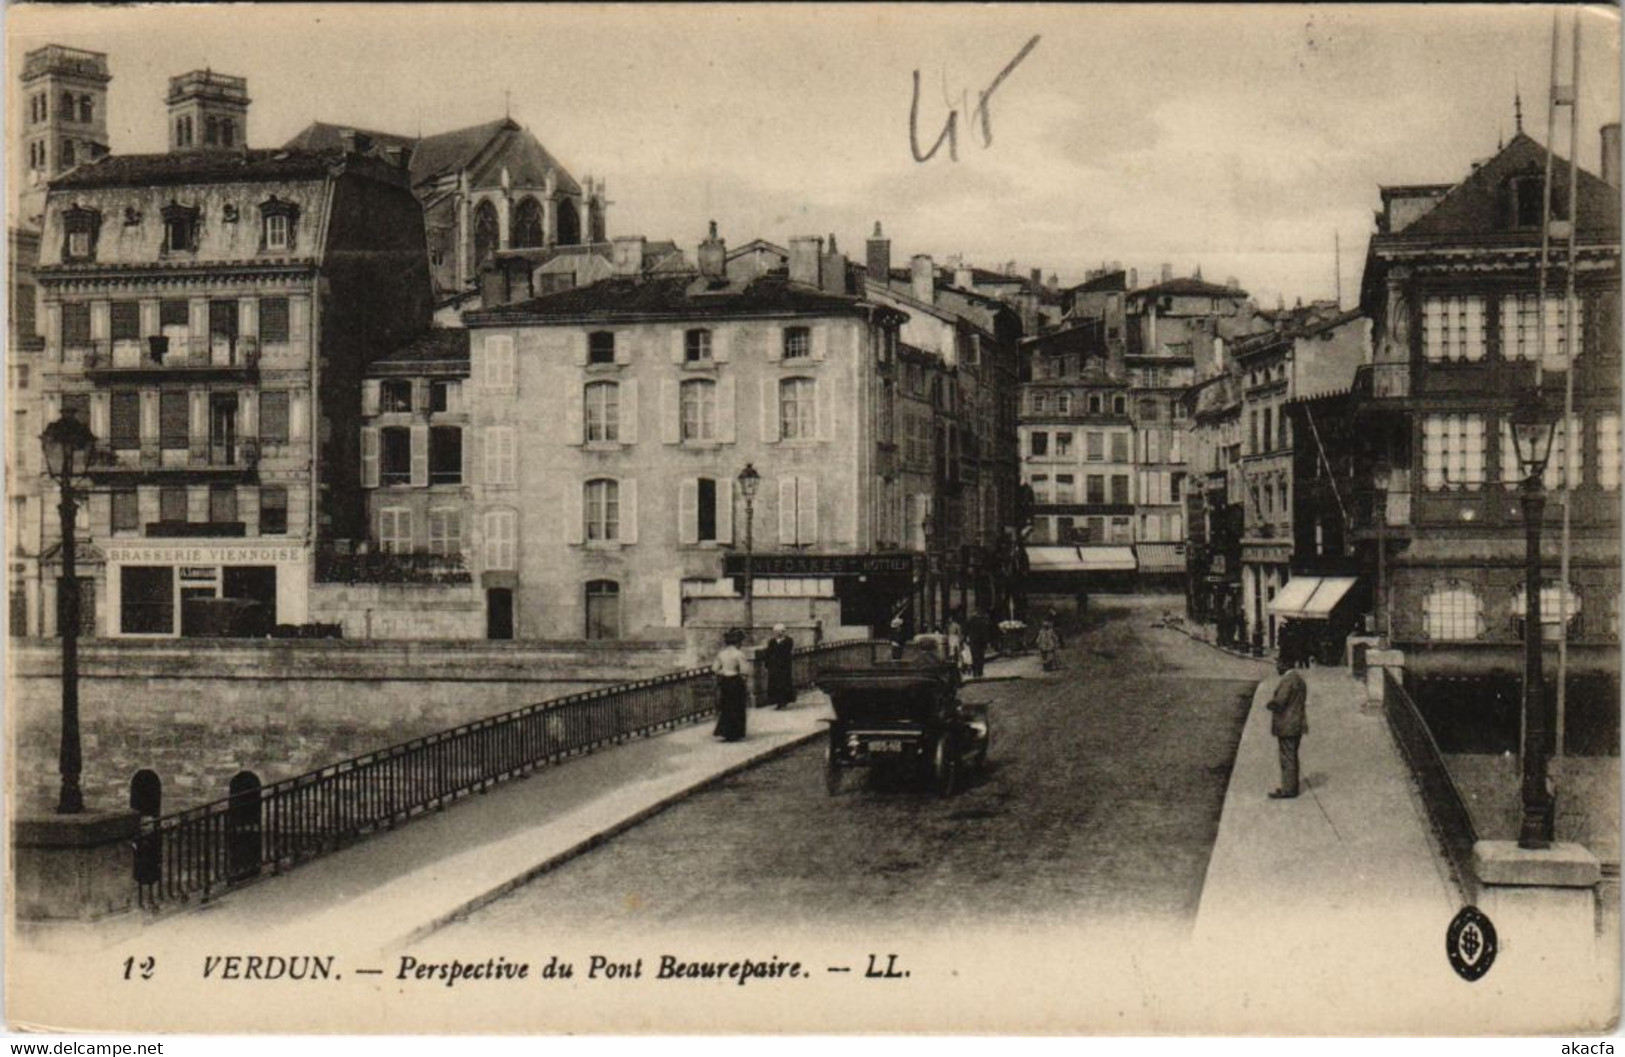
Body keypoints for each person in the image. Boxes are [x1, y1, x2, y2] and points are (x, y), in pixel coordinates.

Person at [1265, 654, 1308, 799]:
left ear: (1284, 665)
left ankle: (1288, 790)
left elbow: (1279, 702)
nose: (1276, 667)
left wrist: (1270, 704)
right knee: (1291, 756)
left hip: (1287, 725)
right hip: (1297, 723)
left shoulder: (1288, 681)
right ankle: (1290, 787)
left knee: (1287, 758)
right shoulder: (1298, 679)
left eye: (1278, 664)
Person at [712, 629, 749, 742]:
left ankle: (726, 731)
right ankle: (735, 732)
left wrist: (723, 672)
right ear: (737, 642)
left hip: (725, 681)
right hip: (735, 680)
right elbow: (745, 670)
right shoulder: (739, 654)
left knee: (726, 706)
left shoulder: (721, 654)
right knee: (737, 706)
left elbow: (714, 668)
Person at [762, 624, 795, 709]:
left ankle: (784, 701)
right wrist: (768, 664)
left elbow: (787, 652)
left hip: (784, 666)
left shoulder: (788, 640)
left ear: (783, 631)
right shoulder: (772, 641)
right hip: (774, 666)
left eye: (779, 631)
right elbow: (768, 653)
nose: (777, 633)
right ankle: (777, 702)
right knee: (775, 684)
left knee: (784, 683)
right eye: (775, 631)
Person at [965, 608, 992, 678]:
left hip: (973, 640)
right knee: (981, 656)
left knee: (974, 657)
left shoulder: (970, 620)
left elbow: (966, 630)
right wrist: (987, 641)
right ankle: (980, 672)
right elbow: (986, 632)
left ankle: (975, 672)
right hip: (981, 641)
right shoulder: (983, 621)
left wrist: (966, 639)